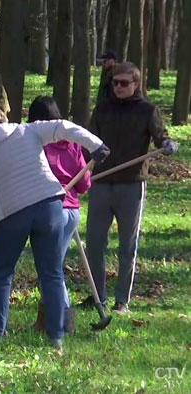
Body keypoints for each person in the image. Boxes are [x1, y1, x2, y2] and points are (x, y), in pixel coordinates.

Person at [0, 104, 108, 348]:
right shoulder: (29, 130)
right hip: (50, 204)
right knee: (52, 273)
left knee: (1, 273)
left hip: (11, 215)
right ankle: (57, 338)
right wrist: (95, 145)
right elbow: (64, 126)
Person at [83, 62, 179, 314]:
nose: (118, 87)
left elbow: (161, 135)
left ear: (135, 84)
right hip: (102, 182)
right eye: (115, 82)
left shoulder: (147, 110)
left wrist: (168, 143)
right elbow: (87, 140)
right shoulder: (102, 109)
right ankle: (97, 296)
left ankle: (122, 301)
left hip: (131, 184)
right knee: (94, 244)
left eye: (124, 83)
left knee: (127, 245)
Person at [27, 96, 91, 333]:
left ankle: (62, 321)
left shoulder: (33, 143)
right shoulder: (71, 144)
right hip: (72, 212)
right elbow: (84, 184)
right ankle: (46, 321)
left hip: (49, 212)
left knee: (50, 270)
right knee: (51, 267)